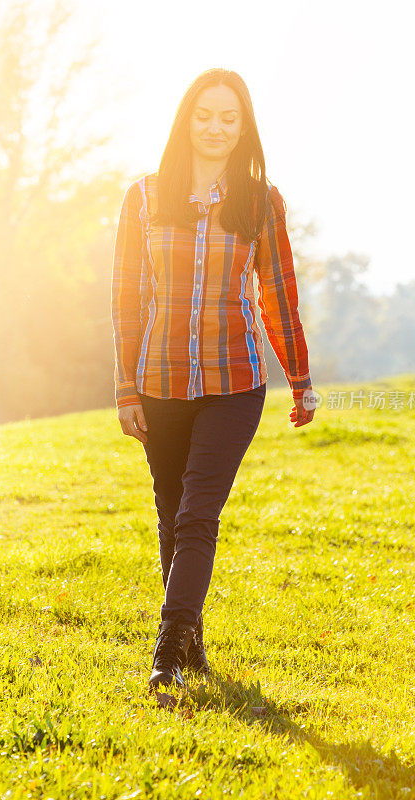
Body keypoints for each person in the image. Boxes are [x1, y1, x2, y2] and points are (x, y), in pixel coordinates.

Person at [111, 67, 316, 693]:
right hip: (159, 381)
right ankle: (192, 643)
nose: (216, 128)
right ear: (186, 118)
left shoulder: (261, 201)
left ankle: (168, 649)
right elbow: (127, 298)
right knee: (172, 515)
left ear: (244, 126)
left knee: (198, 515)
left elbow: (277, 294)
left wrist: (299, 375)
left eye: (230, 118)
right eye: (206, 115)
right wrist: (125, 386)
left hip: (234, 381)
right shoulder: (144, 198)